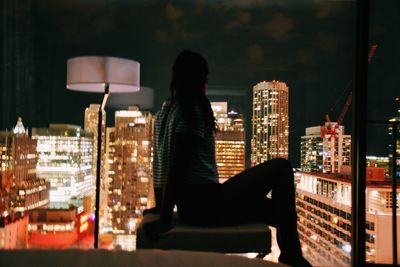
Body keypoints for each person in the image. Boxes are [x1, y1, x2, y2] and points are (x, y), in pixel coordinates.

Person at [143, 50, 312, 267]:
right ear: (200, 79)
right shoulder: (192, 109)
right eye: (205, 77)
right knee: (281, 167)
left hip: (196, 205)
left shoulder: (166, 109)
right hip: (206, 205)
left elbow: (160, 163)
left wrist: (160, 206)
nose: (207, 82)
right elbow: (178, 166)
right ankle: (291, 257)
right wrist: (165, 218)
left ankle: (291, 256)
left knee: (280, 213)